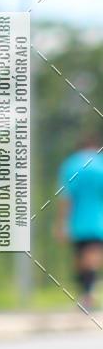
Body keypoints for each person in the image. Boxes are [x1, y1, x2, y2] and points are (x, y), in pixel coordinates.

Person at [55, 133, 103, 311]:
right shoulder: (100, 164)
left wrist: (61, 223)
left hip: (76, 221)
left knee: (80, 257)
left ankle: (85, 295)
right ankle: (88, 294)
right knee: (93, 257)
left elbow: (65, 197)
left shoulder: (71, 164)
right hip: (98, 220)